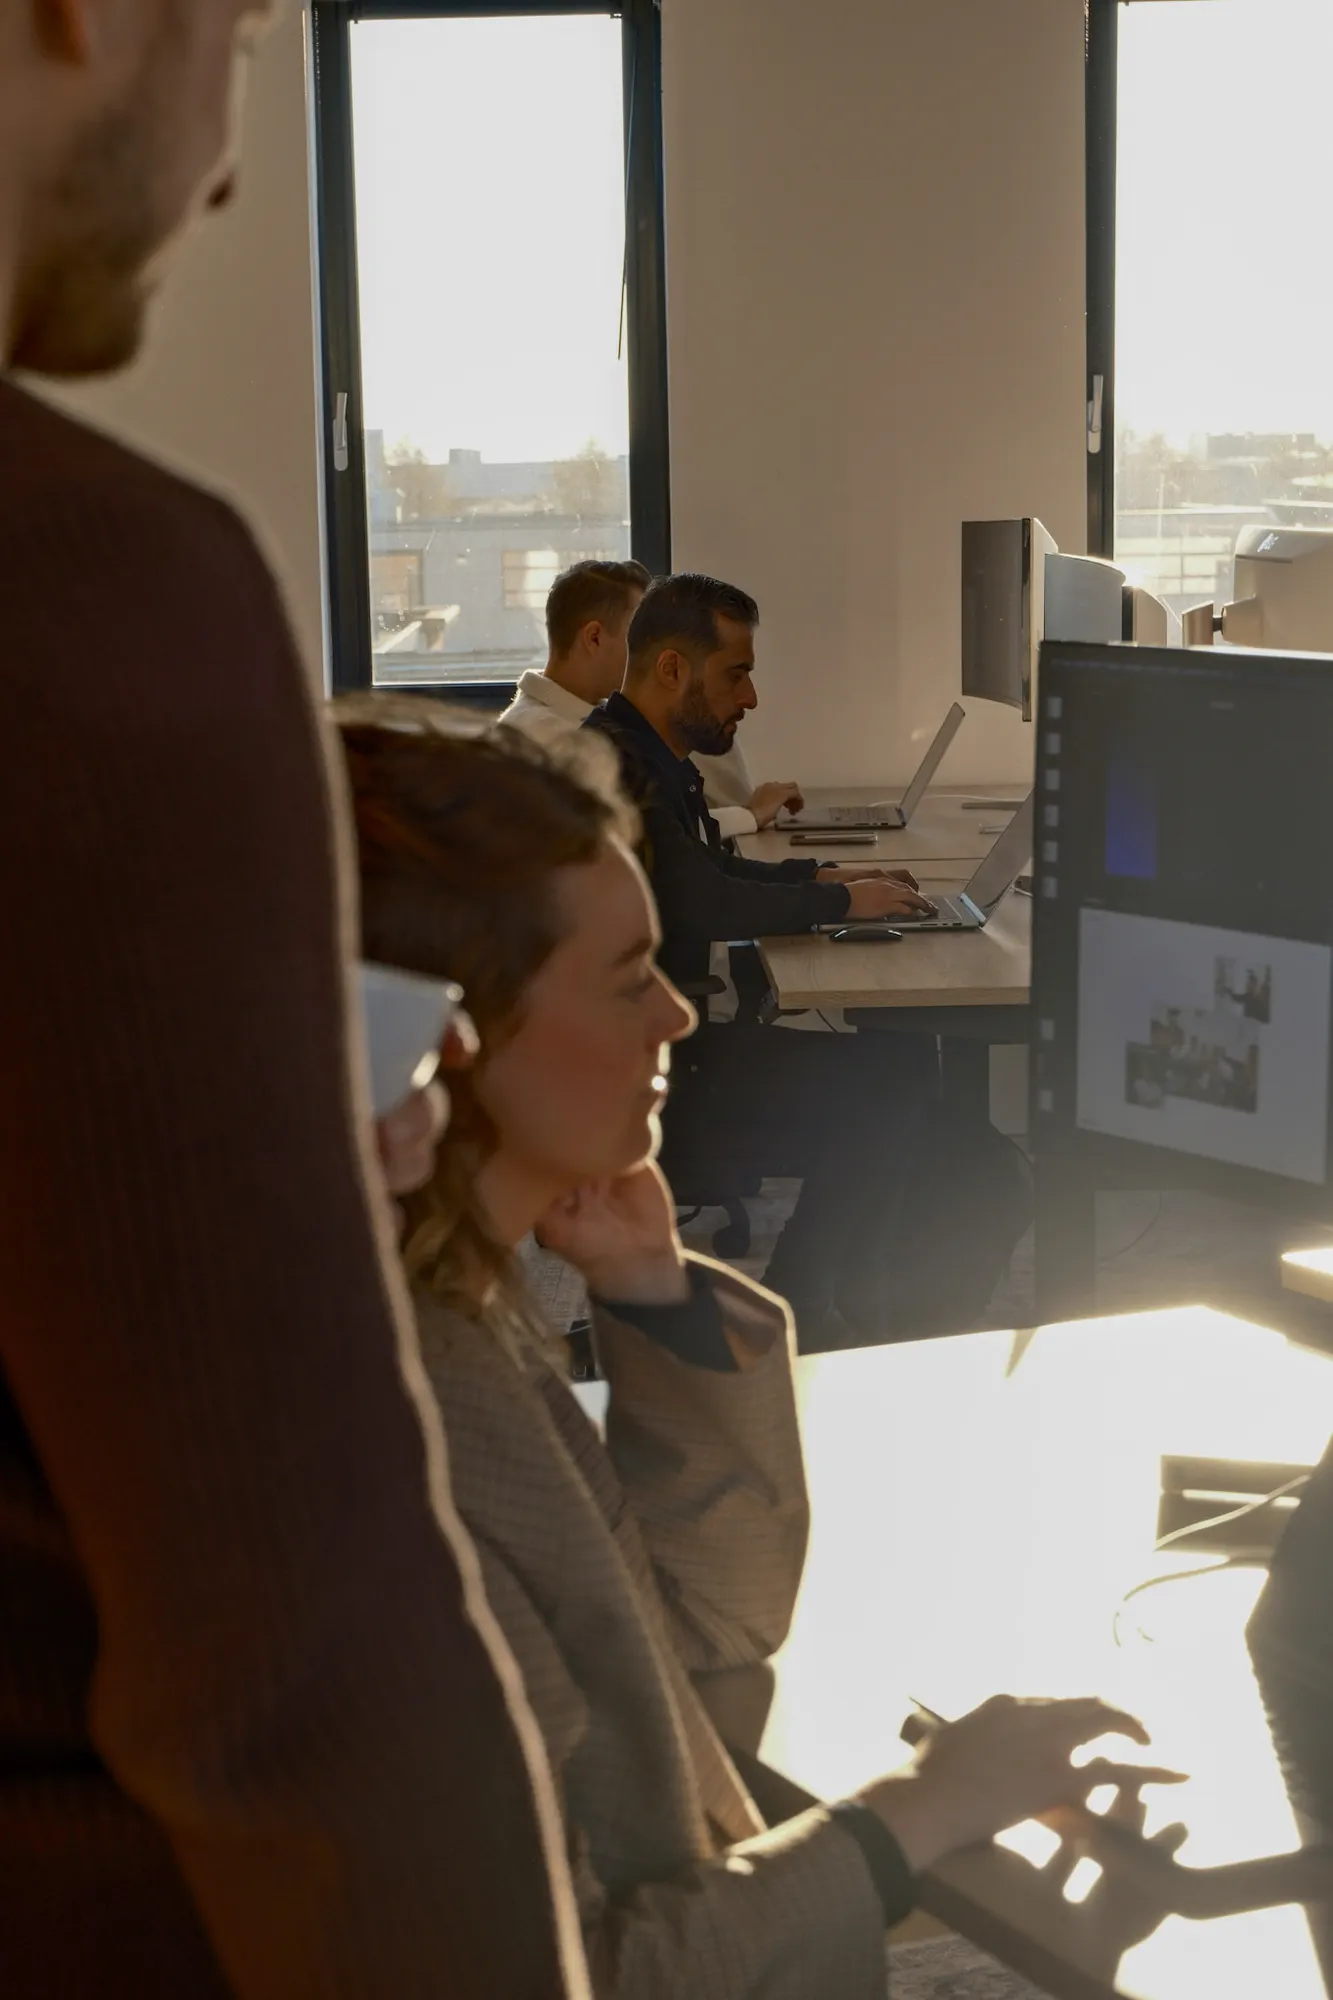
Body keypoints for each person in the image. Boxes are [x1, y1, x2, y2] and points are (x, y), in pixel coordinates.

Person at [0, 5, 586, 1995]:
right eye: (249, 25)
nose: (236, 160)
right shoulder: (86, 604)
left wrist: (196, 1163)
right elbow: (305, 1684)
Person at [334, 698, 1181, 2000]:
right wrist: (916, 1811)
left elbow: (708, 1629)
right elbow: (591, 1973)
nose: (677, 1018)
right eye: (628, 981)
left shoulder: (464, 1311)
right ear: (454, 1042)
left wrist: (659, 1296)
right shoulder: (388, 1432)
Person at [583, 572, 1031, 1346]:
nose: (749, 698)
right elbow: (699, 904)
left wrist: (821, 878)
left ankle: (840, 1297)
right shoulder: (623, 769)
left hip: (658, 1049)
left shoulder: (635, 750)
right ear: (670, 670)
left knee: (898, 1076)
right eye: (737, 673)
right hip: (656, 1082)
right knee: (888, 1088)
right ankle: (810, 1306)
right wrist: (837, 904)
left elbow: (706, 873)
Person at [500, 557, 803, 836]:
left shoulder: (599, 716)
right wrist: (748, 815)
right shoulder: (541, 740)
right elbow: (643, 834)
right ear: (594, 638)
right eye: (640, 632)